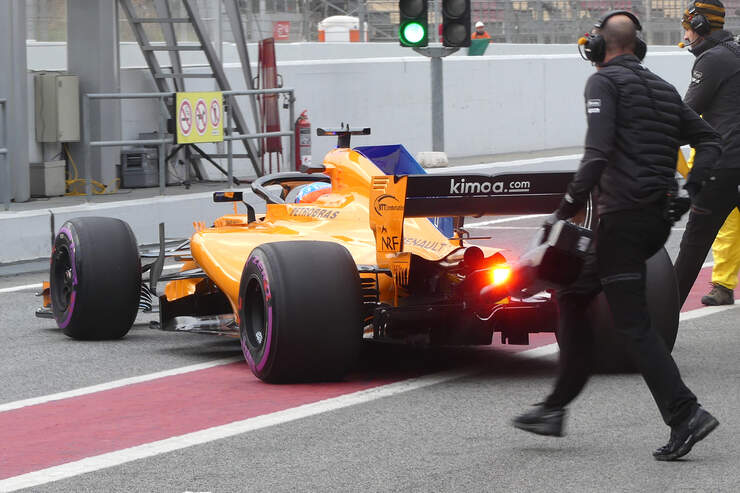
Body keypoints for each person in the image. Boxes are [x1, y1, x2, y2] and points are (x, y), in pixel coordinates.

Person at [511, 11, 722, 461]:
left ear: (599, 48)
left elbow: (598, 153)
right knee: (574, 294)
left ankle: (686, 414)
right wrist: (692, 188)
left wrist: (565, 208)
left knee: (633, 327)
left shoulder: (603, 83)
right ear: (638, 48)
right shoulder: (665, 89)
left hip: (623, 220)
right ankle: (554, 408)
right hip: (649, 220)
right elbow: (711, 140)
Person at [673, 0, 740, 307]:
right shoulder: (734, 53)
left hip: (724, 167)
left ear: (700, 26)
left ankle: (661, 320)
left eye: (687, 28)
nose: (685, 36)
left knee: (693, 246)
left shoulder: (712, 59)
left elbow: (686, 114)